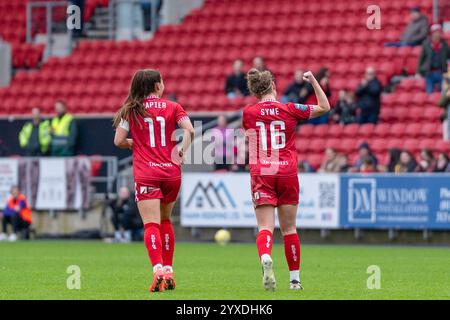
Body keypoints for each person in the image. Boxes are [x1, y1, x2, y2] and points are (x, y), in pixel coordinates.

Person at [242, 68, 330, 291]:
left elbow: (249, 139)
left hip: (263, 171)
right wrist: (313, 82)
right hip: (287, 171)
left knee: (265, 227)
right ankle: (295, 280)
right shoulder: (289, 109)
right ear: (273, 86)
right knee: (289, 229)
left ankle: (265, 257)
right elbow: (324, 107)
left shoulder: (249, 113)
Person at [113, 69, 194, 293]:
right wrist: (181, 151)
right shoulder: (174, 107)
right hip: (170, 172)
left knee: (151, 224)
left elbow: (118, 140)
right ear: (157, 86)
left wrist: (136, 143)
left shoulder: (131, 109)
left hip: (146, 173)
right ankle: (169, 271)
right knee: (166, 221)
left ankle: (157, 269)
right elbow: (190, 130)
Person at [417, 24, 450, 94]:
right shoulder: (426, 44)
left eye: (438, 32)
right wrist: (418, 72)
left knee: (443, 93)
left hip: (441, 72)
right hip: (429, 72)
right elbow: (421, 59)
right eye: (435, 32)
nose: (437, 34)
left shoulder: (444, 45)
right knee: (429, 92)